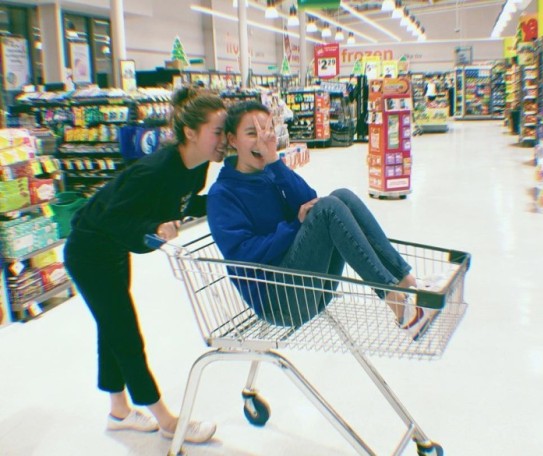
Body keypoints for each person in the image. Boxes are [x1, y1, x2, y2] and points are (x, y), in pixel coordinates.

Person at [63, 86, 226, 443]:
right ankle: (167, 421)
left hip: (111, 249)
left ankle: (119, 412)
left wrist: (227, 201)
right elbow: (111, 217)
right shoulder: (154, 170)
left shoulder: (195, 167)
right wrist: (152, 228)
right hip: (88, 251)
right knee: (125, 332)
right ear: (191, 132)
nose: (224, 139)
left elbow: (183, 203)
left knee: (111, 327)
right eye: (218, 131)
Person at [206, 101, 437, 339]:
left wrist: (275, 162)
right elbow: (244, 255)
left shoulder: (271, 173)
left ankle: (408, 284)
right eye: (252, 133)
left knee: (341, 196)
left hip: (310, 288)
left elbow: (309, 201)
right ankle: (400, 308)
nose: (262, 140)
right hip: (279, 302)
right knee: (328, 208)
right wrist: (294, 227)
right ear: (232, 140)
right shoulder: (222, 195)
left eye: (267, 132)